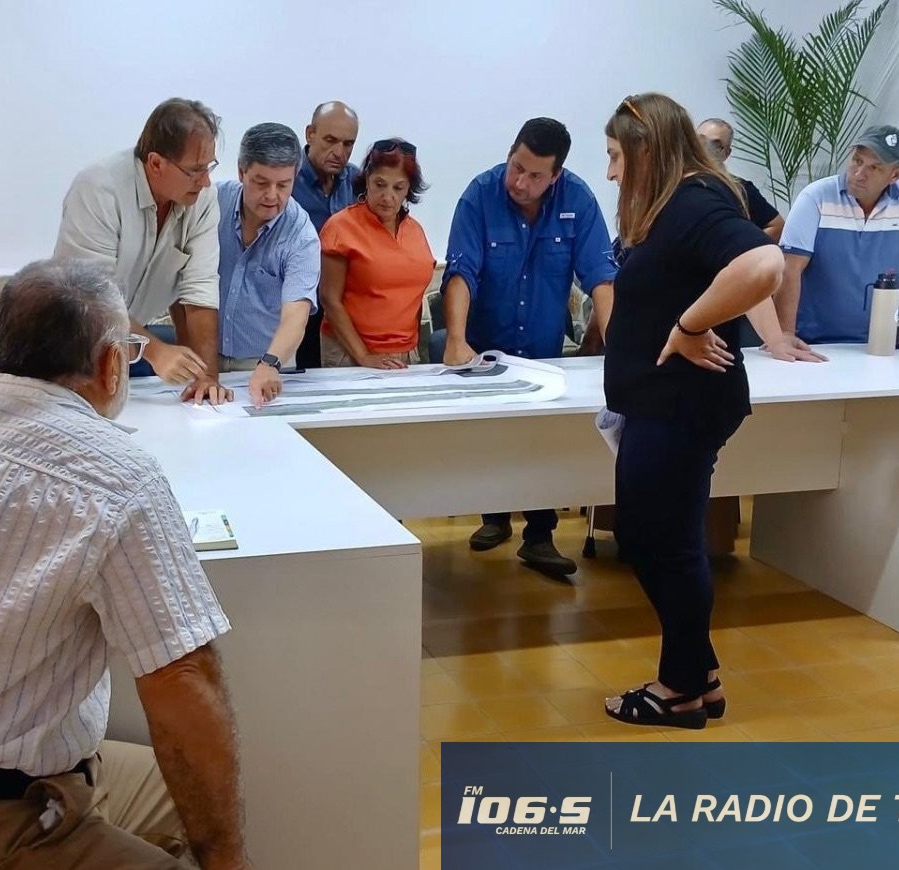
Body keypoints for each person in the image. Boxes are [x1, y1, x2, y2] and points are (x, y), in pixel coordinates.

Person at [0, 259, 246, 870]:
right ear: (111, 364)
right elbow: (184, 677)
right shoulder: (118, 474)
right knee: (218, 821)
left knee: (202, 794)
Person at [597, 94, 784, 729]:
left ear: (648, 149)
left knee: (668, 544)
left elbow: (764, 263)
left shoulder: (694, 201)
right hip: (659, 403)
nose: (611, 173)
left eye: (617, 157)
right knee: (646, 537)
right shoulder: (669, 206)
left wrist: (689, 325)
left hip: (681, 405)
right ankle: (698, 675)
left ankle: (678, 690)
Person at [441, 118, 617, 576]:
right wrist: (456, 340)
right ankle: (495, 517)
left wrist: (617, 348)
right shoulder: (479, 196)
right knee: (492, 437)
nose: (520, 182)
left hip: (544, 351)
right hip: (486, 349)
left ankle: (539, 536)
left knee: (543, 440)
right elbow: (460, 271)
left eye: (535, 175)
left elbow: (601, 278)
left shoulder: (578, 200)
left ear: (556, 175)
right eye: (516, 167)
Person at [54, 97, 235, 403]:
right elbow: (92, 298)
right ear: (155, 163)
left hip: (122, 343)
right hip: (68, 342)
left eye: (209, 167)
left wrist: (207, 377)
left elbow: (201, 288)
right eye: (195, 170)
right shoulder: (99, 190)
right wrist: (156, 351)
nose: (206, 182)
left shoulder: (203, 198)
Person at [777, 125, 899, 356]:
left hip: (883, 344)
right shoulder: (815, 197)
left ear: (895, 175)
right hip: (813, 343)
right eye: (857, 161)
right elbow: (789, 269)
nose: (859, 173)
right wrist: (785, 334)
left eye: (874, 168)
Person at [216, 123, 320, 408]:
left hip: (266, 363)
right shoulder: (212, 204)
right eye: (261, 183)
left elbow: (296, 314)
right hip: (204, 357)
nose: (272, 195)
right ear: (242, 172)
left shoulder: (301, 235)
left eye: (283, 185)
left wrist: (270, 363)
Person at [319, 138, 435, 369]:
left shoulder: (415, 230)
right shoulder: (341, 227)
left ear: (408, 189)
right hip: (350, 353)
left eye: (398, 188)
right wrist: (363, 356)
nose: (387, 196)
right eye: (379, 184)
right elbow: (329, 300)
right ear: (367, 180)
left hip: (407, 353)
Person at [292, 101, 360, 369]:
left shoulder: (358, 182)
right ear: (310, 134)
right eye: (330, 140)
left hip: (343, 312)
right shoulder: (286, 181)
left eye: (348, 144)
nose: (339, 152)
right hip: (296, 308)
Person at [696, 118, 785, 242]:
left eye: (715, 145)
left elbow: (777, 226)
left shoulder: (740, 188)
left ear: (726, 153)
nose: (706, 148)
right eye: (700, 141)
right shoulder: (675, 182)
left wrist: (743, 247)